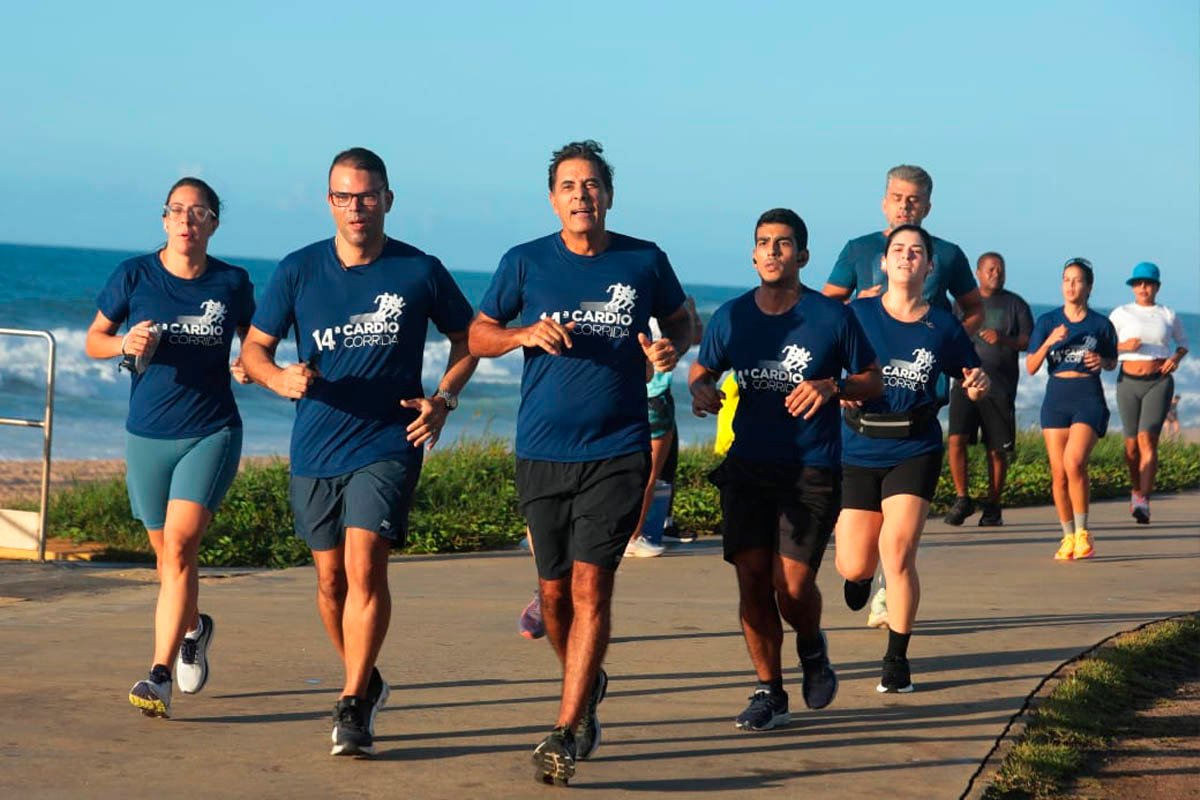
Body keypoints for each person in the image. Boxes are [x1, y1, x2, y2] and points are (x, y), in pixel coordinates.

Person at [469, 140, 692, 786]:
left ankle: (566, 730)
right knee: (554, 596)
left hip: (617, 450)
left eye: (592, 185)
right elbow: (478, 334)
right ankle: (587, 684)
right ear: (553, 198)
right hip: (541, 452)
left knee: (594, 586)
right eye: (569, 186)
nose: (581, 195)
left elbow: (683, 321)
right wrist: (520, 335)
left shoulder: (644, 260)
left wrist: (669, 349)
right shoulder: (525, 262)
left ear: (609, 195)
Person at [241, 147, 477, 757]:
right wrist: (277, 379)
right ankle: (366, 679)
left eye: (366, 195)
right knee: (328, 582)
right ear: (329, 203)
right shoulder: (298, 270)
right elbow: (255, 351)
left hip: (389, 441)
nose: (356, 207)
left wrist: (443, 399)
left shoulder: (419, 270)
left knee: (365, 566)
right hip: (316, 442)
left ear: (387, 200)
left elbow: (469, 337)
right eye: (344, 196)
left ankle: (351, 707)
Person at [689, 208, 881, 730]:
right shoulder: (732, 316)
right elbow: (703, 368)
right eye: (764, 242)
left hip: (811, 469)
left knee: (791, 587)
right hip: (748, 466)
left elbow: (873, 379)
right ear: (753, 255)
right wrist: (700, 387)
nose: (773, 250)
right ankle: (768, 690)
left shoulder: (832, 318)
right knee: (752, 582)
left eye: (783, 242)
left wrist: (833, 386)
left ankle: (812, 645)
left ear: (802, 255)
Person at [85, 177, 255, 718]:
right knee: (167, 560)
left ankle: (157, 675)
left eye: (198, 212)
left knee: (180, 548)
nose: (186, 221)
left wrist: (251, 365)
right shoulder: (135, 274)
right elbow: (94, 340)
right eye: (176, 211)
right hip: (146, 435)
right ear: (164, 220)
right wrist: (124, 342)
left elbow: (257, 340)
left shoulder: (232, 282)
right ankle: (195, 628)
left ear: (213, 224)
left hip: (211, 431)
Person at [821, 164, 984, 626]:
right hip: (864, 401)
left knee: (899, 545)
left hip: (917, 403)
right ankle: (860, 574)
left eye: (913, 199)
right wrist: (863, 313)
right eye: (897, 197)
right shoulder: (858, 249)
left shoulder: (945, 255)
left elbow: (974, 308)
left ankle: (890, 605)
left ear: (928, 206)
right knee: (856, 556)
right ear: (883, 201)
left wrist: (943, 338)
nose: (904, 205)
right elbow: (825, 310)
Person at [834, 224, 990, 694]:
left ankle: (896, 660)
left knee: (898, 554)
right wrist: (836, 389)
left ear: (928, 266)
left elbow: (969, 373)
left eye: (916, 251)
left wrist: (977, 383)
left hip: (914, 445)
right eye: (898, 250)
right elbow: (825, 363)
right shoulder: (856, 314)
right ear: (883, 262)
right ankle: (860, 580)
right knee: (853, 565)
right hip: (858, 447)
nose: (906, 257)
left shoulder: (942, 325)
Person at [1026, 258, 1117, 561]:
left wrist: (1101, 362)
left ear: (1089, 287)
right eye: (1066, 279)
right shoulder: (1048, 322)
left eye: (1077, 280)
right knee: (1058, 473)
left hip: (1087, 395)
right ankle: (1067, 537)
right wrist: (1049, 341)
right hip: (1056, 397)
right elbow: (1030, 366)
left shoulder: (1100, 324)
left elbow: (1111, 361)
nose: (1071, 286)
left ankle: (1083, 532)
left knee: (1074, 461)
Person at [944, 252, 1034, 526]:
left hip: (1000, 387)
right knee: (956, 440)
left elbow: (1028, 342)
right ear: (978, 272)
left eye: (1001, 270)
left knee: (996, 449)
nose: (997, 274)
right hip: (964, 383)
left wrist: (1002, 338)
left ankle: (993, 505)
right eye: (991, 269)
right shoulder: (962, 304)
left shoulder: (1015, 304)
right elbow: (947, 336)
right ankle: (962, 498)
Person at [1109, 262, 1188, 524]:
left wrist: (1175, 358)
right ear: (1133, 287)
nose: (1143, 288)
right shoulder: (1121, 313)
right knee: (1131, 446)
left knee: (1147, 440)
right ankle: (1136, 490)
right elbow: (1105, 347)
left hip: (1159, 381)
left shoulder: (1167, 314)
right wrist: (1124, 346)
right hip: (1128, 382)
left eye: (1148, 283)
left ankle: (1143, 498)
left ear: (1157, 286)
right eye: (1138, 283)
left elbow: (1183, 344)